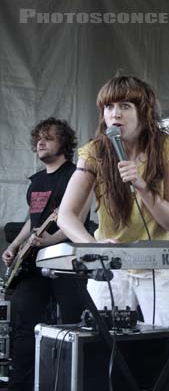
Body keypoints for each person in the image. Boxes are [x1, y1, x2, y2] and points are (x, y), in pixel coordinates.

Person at [57, 76, 169, 391]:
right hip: (113, 266)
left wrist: (143, 187)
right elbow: (66, 215)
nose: (115, 114)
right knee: (97, 346)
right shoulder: (94, 151)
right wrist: (92, 246)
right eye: (109, 106)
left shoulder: (167, 146)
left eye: (125, 105)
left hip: (162, 268)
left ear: (143, 111)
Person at [1, 118, 89, 391]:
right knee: (25, 326)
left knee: (74, 323)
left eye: (48, 138)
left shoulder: (76, 175)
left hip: (66, 260)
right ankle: (20, 384)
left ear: (64, 143)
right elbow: (33, 220)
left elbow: (77, 217)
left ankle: (74, 383)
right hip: (32, 262)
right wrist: (15, 246)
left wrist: (51, 239)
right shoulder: (36, 181)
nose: (40, 142)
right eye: (38, 137)